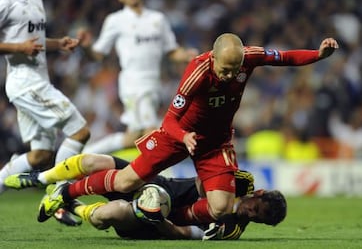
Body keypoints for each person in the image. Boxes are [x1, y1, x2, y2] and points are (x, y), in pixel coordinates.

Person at [34, 33, 338, 226]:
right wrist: (184, 136)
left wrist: (317, 55)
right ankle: (65, 191)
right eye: (225, 69)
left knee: (220, 208)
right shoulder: (197, 70)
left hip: (216, 143)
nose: (230, 75)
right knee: (126, 183)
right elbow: (169, 120)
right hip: (179, 136)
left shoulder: (250, 57)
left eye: (236, 69)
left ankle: (171, 222)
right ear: (214, 57)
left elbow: (284, 58)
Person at [5, 154, 286, 240]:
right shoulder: (242, 181)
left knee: (111, 212)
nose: (249, 214)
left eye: (255, 219)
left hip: (152, 220)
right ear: (257, 194)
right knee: (94, 162)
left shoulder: (231, 230)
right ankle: (42, 178)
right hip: (160, 185)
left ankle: (72, 206)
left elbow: (182, 234)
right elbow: (206, 177)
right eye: (254, 208)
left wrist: (156, 220)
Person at [0, 0, 90, 225]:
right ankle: (58, 195)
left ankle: (50, 195)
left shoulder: (36, 0)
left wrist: (57, 44)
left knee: (40, 155)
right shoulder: (4, 2)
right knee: (80, 132)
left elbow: (35, 41)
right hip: (26, 83)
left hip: (38, 80)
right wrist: (18, 47)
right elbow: (22, 44)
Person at [77, 0, 197, 154]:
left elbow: (172, 51)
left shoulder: (158, 19)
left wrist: (187, 56)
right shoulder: (115, 21)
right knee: (151, 130)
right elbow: (98, 54)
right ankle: (155, 175)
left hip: (153, 82)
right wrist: (86, 47)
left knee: (134, 136)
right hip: (132, 83)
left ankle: (86, 154)